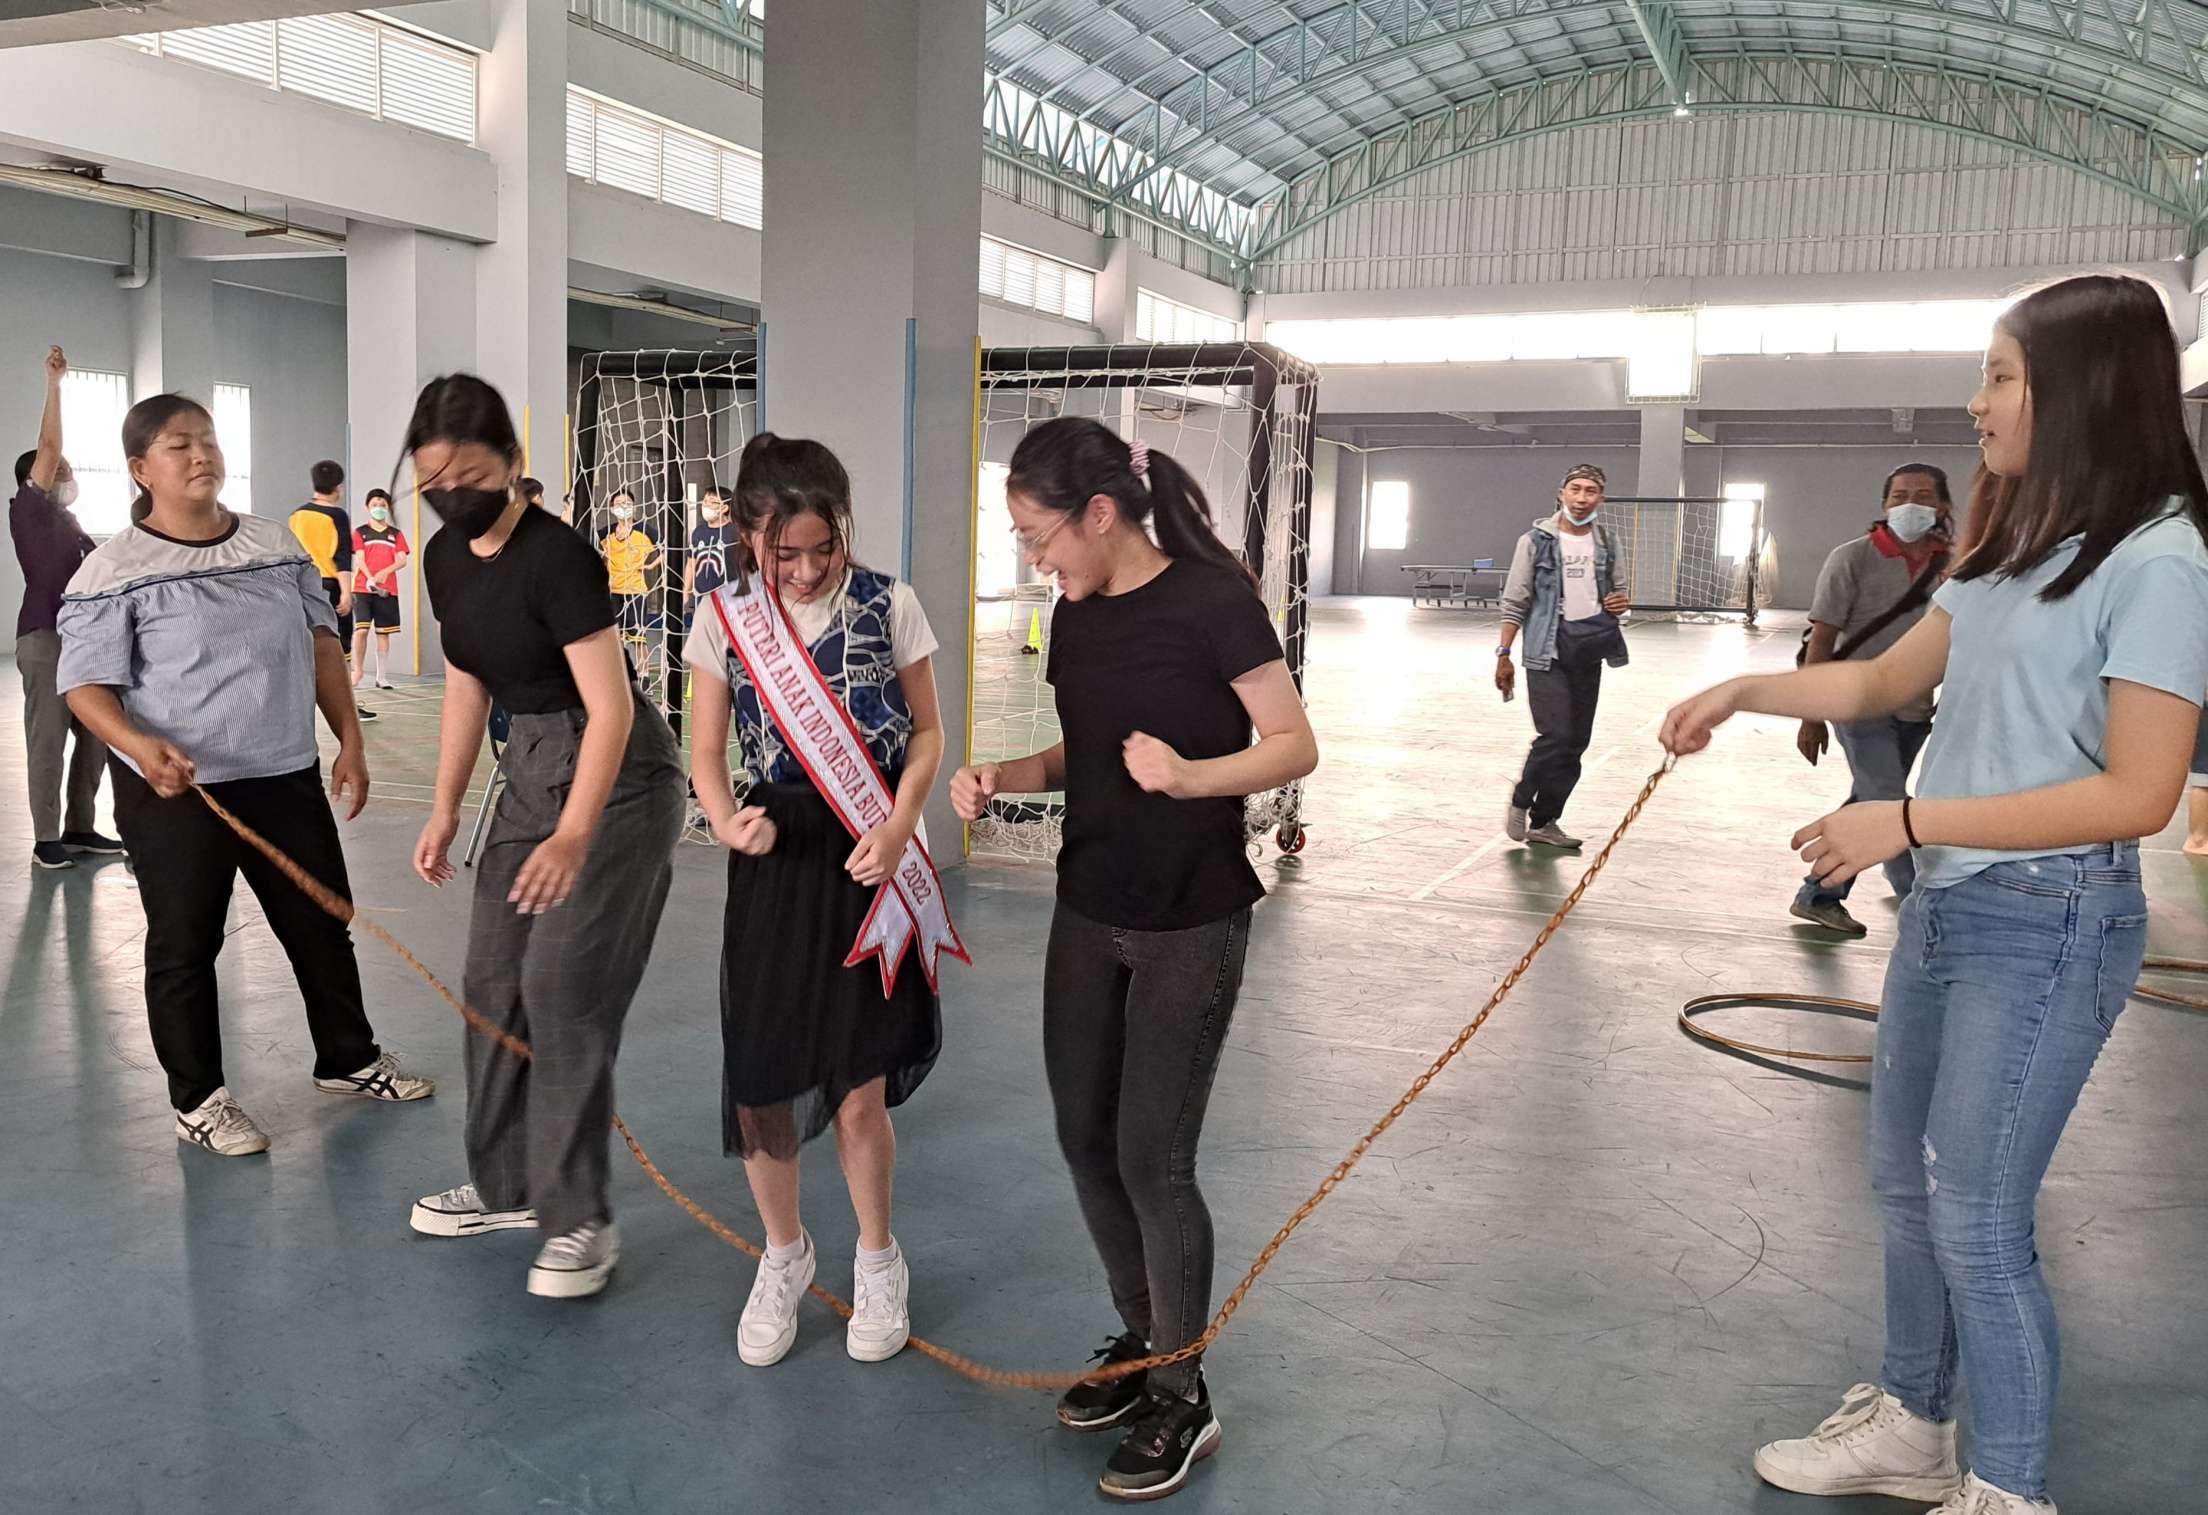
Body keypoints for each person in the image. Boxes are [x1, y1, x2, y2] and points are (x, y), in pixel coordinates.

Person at [1662, 273, 2208, 1515]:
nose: (1976, 405)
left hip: (2053, 921)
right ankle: (1915, 1426)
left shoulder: (2163, 559)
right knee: (1906, 1185)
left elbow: (2139, 795)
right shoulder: (2017, 543)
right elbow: (1878, 684)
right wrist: (1745, 691)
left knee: (1980, 1219)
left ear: (2081, 390)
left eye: (2002, 376)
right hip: (1953, 910)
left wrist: (1899, 819)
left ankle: (2008, 1490)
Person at [950, 420, 1318, 1504]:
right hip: (1087, 908)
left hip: (1190, 920)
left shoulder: (1213, 604)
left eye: (1037, 533)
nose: (1033, 556)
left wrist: (1189, 777)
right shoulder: (1077, 613)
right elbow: (1088, 744)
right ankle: (1145, 1337)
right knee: (1082, 1139)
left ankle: (1183, 1393)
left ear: (1098, 514)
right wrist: (1008, 770)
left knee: (1154, 1157)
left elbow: (1293, 743)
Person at [56, 394, 432, 1156]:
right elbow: (84, 687)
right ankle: (198, 1098)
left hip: (282, 771)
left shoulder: (273, 545)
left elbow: (324, 644)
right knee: (186, 942)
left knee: (322, 924)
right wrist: (138, 744)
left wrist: (348, 739)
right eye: (177, 446)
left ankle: (348, 1056)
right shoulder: (112, 569)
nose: (201, 456)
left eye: (208, 441)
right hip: (177, 787)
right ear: (141, 469)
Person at [405, 375, 684, 1301]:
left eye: (471, 471)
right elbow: (465, 686)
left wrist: (572, 834)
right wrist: (447, 805)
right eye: (432, 473)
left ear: (513, 466)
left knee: (560, 988)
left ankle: (582, 1220)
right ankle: (508, 1186)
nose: (451, 488)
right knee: (492, 981)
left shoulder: (557, 558)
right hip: (527, 762)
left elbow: (608, 709)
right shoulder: (444, 557)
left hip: (619, 774)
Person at [684, 434, 951, 1369]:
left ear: (845, 530)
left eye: (821, 548)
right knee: (762, 1081)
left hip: (867, 854)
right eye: (780, 551)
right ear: (750, 537)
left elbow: (926, 731)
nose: (802, 569)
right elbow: (707, 750)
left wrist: (902, 819)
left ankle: (879, 1259)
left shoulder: (892, 604)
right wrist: (722, 818)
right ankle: (784, 1253)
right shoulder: (724, 617)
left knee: (857, 1088)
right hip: (774, 860)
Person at [1790, 463, 1955, 933]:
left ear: (1942, 506)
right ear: (1884, 505)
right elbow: (1822, 639)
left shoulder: (1955, 566)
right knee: (1887, 801)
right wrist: (1812, 715)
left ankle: (1820, 894)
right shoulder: (1851, 559)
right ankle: (1920, 909)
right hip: (1856, 701)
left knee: (1870, 798)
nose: (1911, 504)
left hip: (1915, 708)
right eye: (1900, 495)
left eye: (1924, 495)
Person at [12, 345, 120, 871]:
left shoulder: (73, 527)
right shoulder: (28, 512)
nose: (66, 475)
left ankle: (80, 827)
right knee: (48, 739)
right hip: (45, 640)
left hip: (86, 646)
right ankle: (45, 838)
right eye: (59, 470)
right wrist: (55, 386)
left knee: (97, 735)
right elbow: (49, 446)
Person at [1496, 462, 1631, 849]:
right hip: (1546, 650)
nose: (1582, 497)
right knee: (1556, 734)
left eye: (1591, 491)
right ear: (1562, 493)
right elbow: (1515, 600)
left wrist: (1621, 603)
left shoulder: (1606, 541)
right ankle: (1522, 798)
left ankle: (1545, 821)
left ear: (1600, 498)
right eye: (1576, 489)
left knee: (1577, 743)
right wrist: (1504, 653)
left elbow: (1618, 593)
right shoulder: (1535, 541)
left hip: (1588, 650)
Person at [288, 460, 375, 721]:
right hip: (328, 584)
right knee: (340, 648)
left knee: (306, 646)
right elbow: (341, 556)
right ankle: (348, 704)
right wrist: (346, 592)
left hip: (298, 585)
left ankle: (300, 707)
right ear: (339, 487)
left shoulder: (297, 515)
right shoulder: (336, 515)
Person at [350, 488, 409, 692]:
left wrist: (385, 572)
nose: (379, 509)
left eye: (383, 505)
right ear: (367, 507)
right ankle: (356, 671)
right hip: (362, 588)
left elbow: (402, 560)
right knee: (362, 630)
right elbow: (360, 559)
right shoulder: (360, 533)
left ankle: (381, 677)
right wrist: (370, 578)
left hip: (388, 590)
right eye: (375, 505)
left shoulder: (396, 534)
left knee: (383, 634)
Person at [602, 489, 660, 641]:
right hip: (613, 591)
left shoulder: (644, 530)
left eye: (627, 503)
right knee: (615, 638)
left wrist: (652, 565)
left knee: (638, 639)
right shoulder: (607, 532)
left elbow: (668, 547)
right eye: (619, 504)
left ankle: (643, 666)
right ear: (612, 508)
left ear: (634, 507)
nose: (623, 507)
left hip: (635, 590)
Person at [682, 481, 734, 625]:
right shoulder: (698, 532)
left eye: (712, 503)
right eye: (705, 501)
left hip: (729, 596)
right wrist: (686, 591)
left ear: (724, 507)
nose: (706, 505)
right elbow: (691, 563)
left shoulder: (735, 533)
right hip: (702, 596)